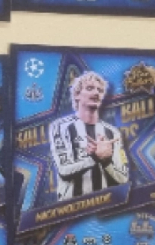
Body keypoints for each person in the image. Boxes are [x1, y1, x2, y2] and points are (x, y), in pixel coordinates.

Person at [48, 71, 128, 201]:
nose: (96, 93)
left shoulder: (113, 132)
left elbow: (123, 178)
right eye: (90, 88)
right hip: (71, 207)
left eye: (100, 90)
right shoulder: (60, 127)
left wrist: (106, 161)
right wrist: (95, 157)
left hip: (105, 206)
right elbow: (63, 170)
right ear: (77, 94)